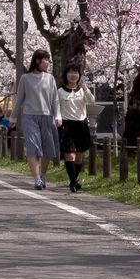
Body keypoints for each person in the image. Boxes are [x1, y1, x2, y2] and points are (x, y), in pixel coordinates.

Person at [14, 50, 60, 190]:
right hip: (29, 117)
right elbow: (19, 99)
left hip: (47, 116)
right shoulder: (25, 78)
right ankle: (37, 179)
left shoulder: (50, 78)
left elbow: (55, 99)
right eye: (46, 59)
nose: (48, 62)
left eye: (48, 60)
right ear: (37, 60)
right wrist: (13, 117)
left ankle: (43, 175)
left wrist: (58, 116)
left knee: (47, 149)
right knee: (32, 148)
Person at [56, 64, 94, 192]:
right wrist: (58, 118)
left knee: (79, 155)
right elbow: (56, 107)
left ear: (79, 75)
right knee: (70, 155)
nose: (73, 75)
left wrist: (86, 90)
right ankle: (73, 182)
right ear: (66, 75)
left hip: (81, 124)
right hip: (67, 125)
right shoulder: (60, 91)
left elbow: (91, 101)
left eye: (76, 73)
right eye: (71, 72)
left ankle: (74, 180)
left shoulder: (82, 90)